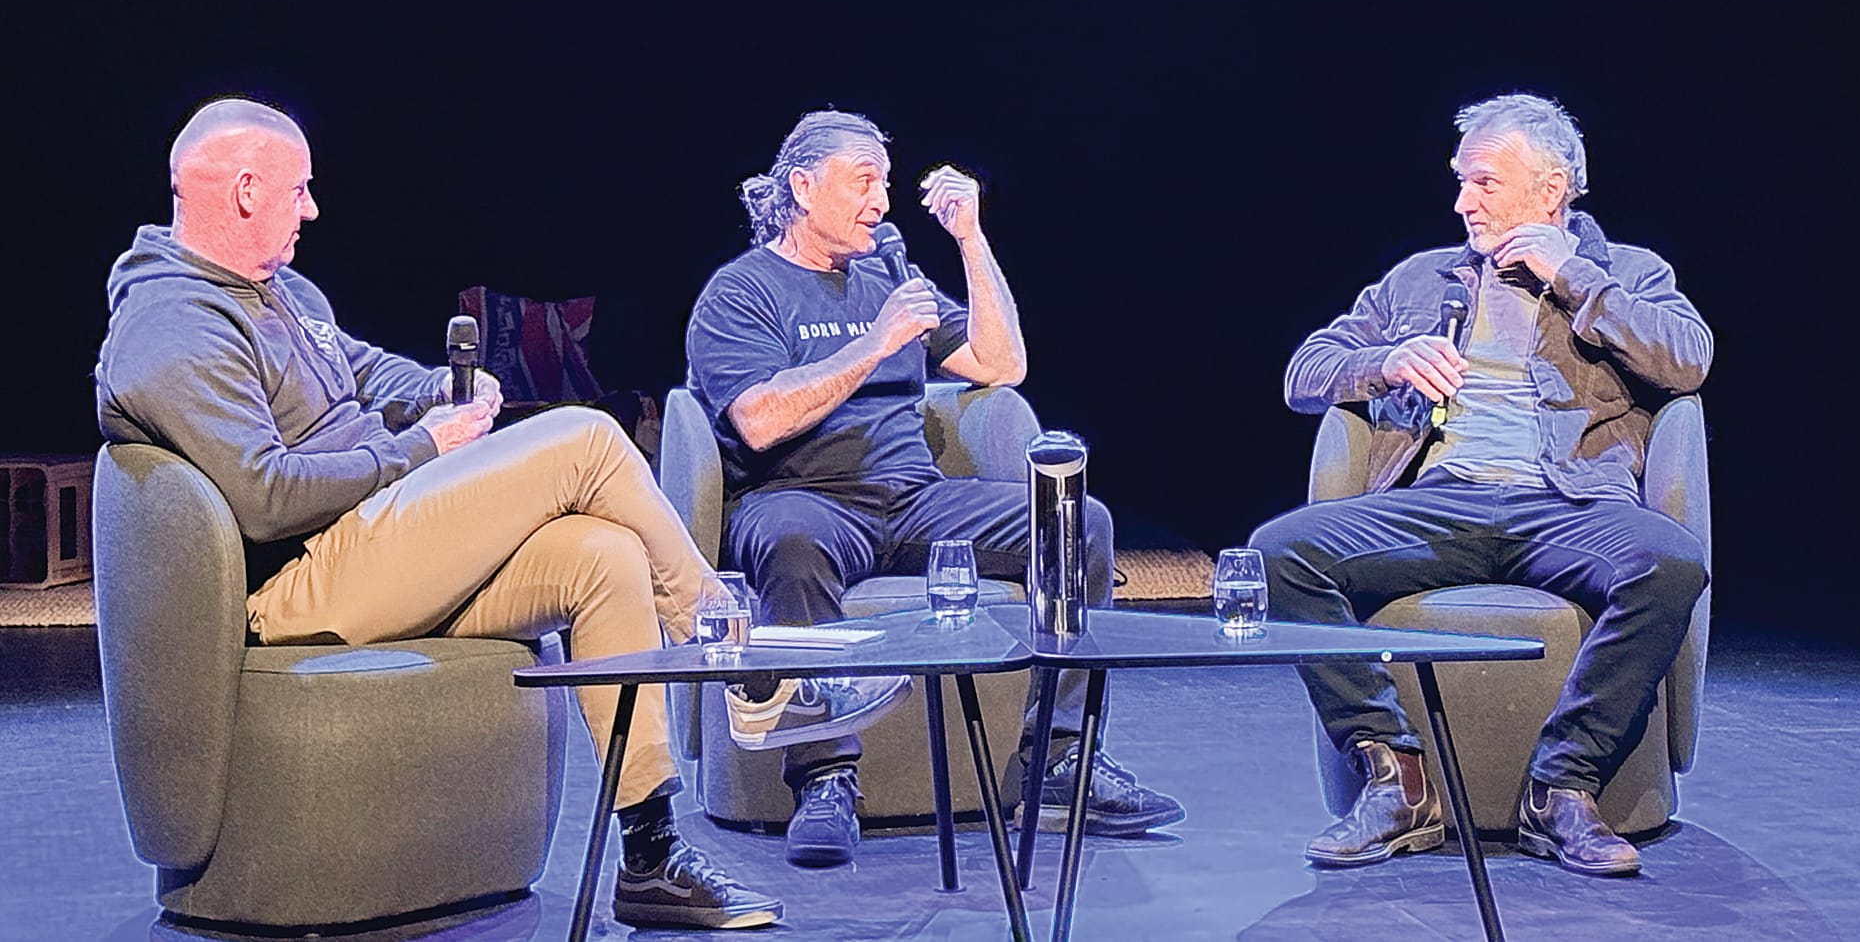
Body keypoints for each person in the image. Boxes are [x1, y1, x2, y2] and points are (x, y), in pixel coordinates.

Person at [94, 98, 787, 930]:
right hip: (299, 588)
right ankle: (735, 649)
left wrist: (443, 389)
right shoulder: (172, 324)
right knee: (587, 440)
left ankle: (650, 856)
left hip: (373, 545)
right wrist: (423, 448)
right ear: (245, 191)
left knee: (599, 555)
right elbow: (266, 496)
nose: (311, 209)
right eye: (298, 190)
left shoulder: (278, 289)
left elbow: (360, 369)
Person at [685, 108, 1185, 867]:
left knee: (1072, 521)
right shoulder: (742, 292)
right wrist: (875, 341)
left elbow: (999, 363)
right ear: (801, 186)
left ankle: (1058, 756)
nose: (881, 202)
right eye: (863, 182)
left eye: (884, 183)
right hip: (802, 496)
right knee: (790, 542)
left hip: (914, 498)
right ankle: (824, 777)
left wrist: (969, 239)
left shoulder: (890, 273)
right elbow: (756, 421)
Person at [1247, 93, 1711, 877]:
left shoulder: (1627, 271)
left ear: (1550, 188)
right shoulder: (1421, 278)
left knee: (1668, 562)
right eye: (1460, 181)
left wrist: (1573, 280)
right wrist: (1384, 361)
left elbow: (1687, 358)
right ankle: (1396, 776)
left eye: (1484, 183)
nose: (1462, 201)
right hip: (1440, 500)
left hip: (1570, 504)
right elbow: (1303, 370)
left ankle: (1561, 784)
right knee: (1275, 553)